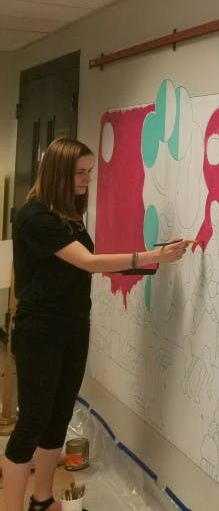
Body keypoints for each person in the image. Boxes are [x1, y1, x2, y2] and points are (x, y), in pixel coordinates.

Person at [1, 138, 189, 511]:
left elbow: (85, 263)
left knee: (58, 416)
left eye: (89, 171)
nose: (88, 179)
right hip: (40, 332)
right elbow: (88, 262)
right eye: (80, 173)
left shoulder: (67, 214)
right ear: (58, 174)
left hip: (72, 327)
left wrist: (152, 259)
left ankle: (42, 500)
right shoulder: (36, 217)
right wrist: (152, 256)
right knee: (33, 422)